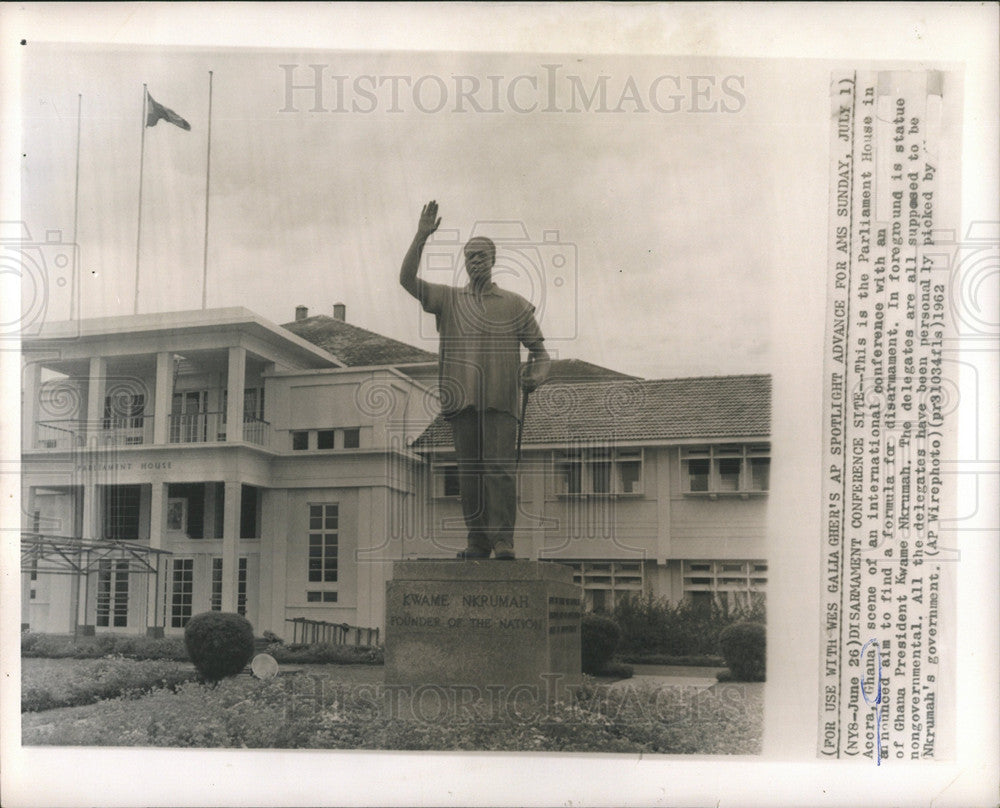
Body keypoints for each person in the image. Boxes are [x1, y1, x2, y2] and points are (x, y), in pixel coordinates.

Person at [400, 200, 551, 559]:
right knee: (469, 474)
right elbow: (406, 280)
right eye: (470, 257)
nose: (475, 262)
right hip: (461, 400)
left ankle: (503, 541)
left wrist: (537, 375)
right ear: (464, 263)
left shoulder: (514, 304)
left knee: (498, 471)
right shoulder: (448, 299)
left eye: (482, 256)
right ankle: (477, 540)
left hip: (500, 399)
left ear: (494, 260)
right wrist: (421, 236)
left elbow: (541, 353)